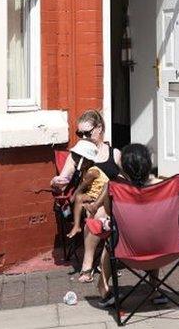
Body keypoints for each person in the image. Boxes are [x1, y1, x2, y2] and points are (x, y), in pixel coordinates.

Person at [96, 143, 167, 306]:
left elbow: (108, 210)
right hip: (162, 249)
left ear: (125, 168)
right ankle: (155, 288)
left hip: (127, 250)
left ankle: (104, 288)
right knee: (151, 231)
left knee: (110, 240)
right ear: (148, 164)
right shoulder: (163, 186)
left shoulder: (115, 189)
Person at [71, 109, 121, 284]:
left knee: (101, 211)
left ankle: (102, 261)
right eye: (80, 133)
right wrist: (58, 180)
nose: (83, 137)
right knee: (98, 214)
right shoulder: (79, 152)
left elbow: (124, 179)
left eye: (87, 132)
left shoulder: (114, 153)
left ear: (99, 128)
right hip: (90, 201)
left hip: (114, 201)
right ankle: (90, 262)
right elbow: (65, 177)